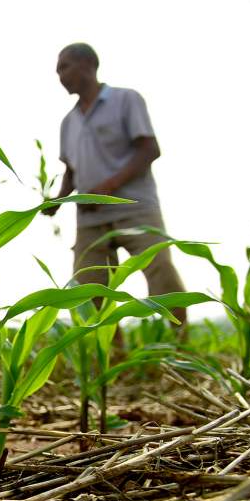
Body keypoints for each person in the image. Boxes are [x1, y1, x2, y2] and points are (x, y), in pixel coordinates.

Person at [42, 42, 186, 324]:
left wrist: (108, 187)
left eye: (64, 67)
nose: (60, 76)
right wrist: (58, 200)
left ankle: (181, 349)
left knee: (161, 274)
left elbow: (149, 149)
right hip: (90, 220)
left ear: (88, 65)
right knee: (87, 289)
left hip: (135, 209)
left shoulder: (125, 100)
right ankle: (112, 357)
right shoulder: (68, 123)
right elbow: (71, 172)